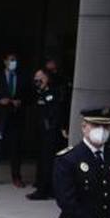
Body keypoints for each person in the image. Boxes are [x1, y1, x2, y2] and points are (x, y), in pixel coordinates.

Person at [28, 69, 69, 200]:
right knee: (41, 160)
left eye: (39, 77)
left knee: (47, 161)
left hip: (50, 133)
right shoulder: (39, 93)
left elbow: (55, 114)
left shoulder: (52, 93)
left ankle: (44, 190)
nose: (36, 80)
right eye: (35, 77)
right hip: (40, 132)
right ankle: (43, 185)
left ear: (46, 78)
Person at [0, 51, 28, 188]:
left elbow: (29, 95)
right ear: (5, 61)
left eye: (15, 60)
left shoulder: (22, 77)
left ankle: (16, 176)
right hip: (0, 116)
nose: (13, 62)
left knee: (16, 147)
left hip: (16, 116)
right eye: (11, 60)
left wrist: (20, 101)